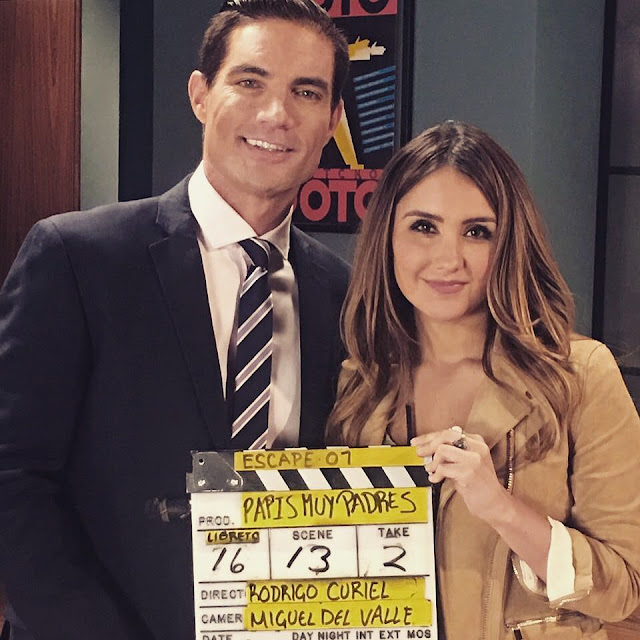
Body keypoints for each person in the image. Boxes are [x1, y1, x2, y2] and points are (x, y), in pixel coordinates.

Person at [0, 1, 350, 638]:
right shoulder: (77, 257)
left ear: (331, 121)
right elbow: (13, 476)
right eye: (250, 81)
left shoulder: (342, 293)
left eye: (306, 92)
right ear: (199, 95)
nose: (276, 113)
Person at [326, 121, 640, 639]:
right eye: (424, 227)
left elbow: (624, 588)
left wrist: (499, 506)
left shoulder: (580, 375)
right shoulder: (358, 385)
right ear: (388, 237)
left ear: (508, 244)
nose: (449, 259)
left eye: (477, 231)